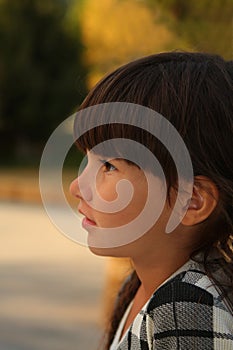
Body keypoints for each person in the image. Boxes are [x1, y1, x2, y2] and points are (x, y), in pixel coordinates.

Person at [70, 52, 233, 349]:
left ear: (192, 200)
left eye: (108, 165)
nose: (76, 187)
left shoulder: (187, 308)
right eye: (88, 160)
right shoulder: (139, 287)